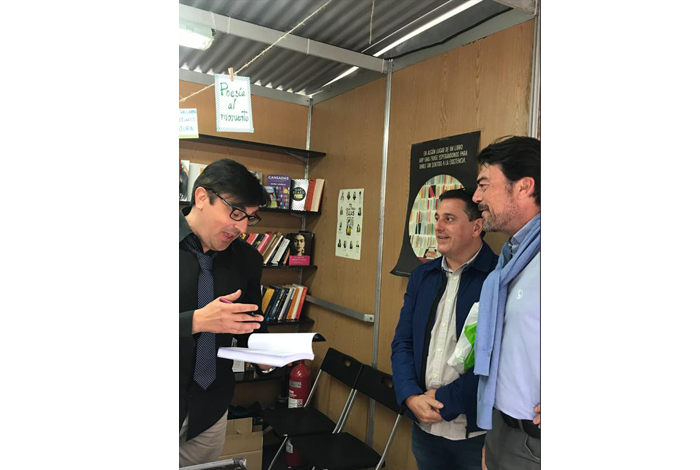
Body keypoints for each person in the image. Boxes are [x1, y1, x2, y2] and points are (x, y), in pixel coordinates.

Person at [391, 188, 498, 470]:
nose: (438, 227)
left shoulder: (498, 279)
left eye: (449, 218)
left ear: (477, 226)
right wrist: (410, 396)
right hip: (424, 427)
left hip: (475, 434)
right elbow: (403, 342)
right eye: (437, 218)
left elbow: (500, 359)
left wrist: (443, 401)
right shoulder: (422, 276)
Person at [179, 158, 273, 467]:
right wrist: (195, 321)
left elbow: (250, 324)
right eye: (235, 213)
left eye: (250, 217)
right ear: (202, 198)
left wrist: (266, 355)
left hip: (209, 410)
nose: (243, 227)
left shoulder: (247, 260)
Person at [471, 136, 541, 470]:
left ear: (524, 187)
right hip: (502, 430)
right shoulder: (512, 258)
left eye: (485, 184)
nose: (476, 197)